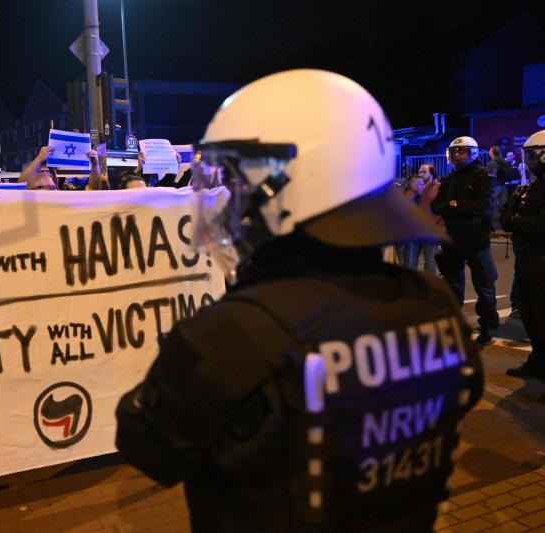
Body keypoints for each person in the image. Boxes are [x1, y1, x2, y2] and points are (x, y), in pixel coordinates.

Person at [116, 69, 483, 532]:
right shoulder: (432, 300)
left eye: (242, 188)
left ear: (292, 183)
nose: (237, 207)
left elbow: (149, 448)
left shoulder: (230, 333)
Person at [431, 136, 499, 344]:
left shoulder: (482, 176)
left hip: (475, 237)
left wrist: (451, 206)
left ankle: (487, 326)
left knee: (484, 283)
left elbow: (479, 208)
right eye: (454, 152)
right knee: (451, 284)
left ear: (473, 153)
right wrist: (457, 206)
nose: (457, 156)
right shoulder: (450, 179)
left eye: (461, 152)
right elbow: (436, 207)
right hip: (453, 237)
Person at [501, 129, 545, 381]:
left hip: (542, 259)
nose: (528, 161)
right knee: (531, 317)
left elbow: (540, 225)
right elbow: (506, 214)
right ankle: (538, 362)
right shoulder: (533, 185)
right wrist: (515, 219)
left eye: (533, 155)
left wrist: (516, 221)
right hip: (528, 259)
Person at [417, 164, 443, 274]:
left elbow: (442, 211)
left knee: (430, 259)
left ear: (431, 174)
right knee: (411, 259)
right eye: (419, 172)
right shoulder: (417, 187)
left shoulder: (438, 188)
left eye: (424, 172)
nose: (420, 174)